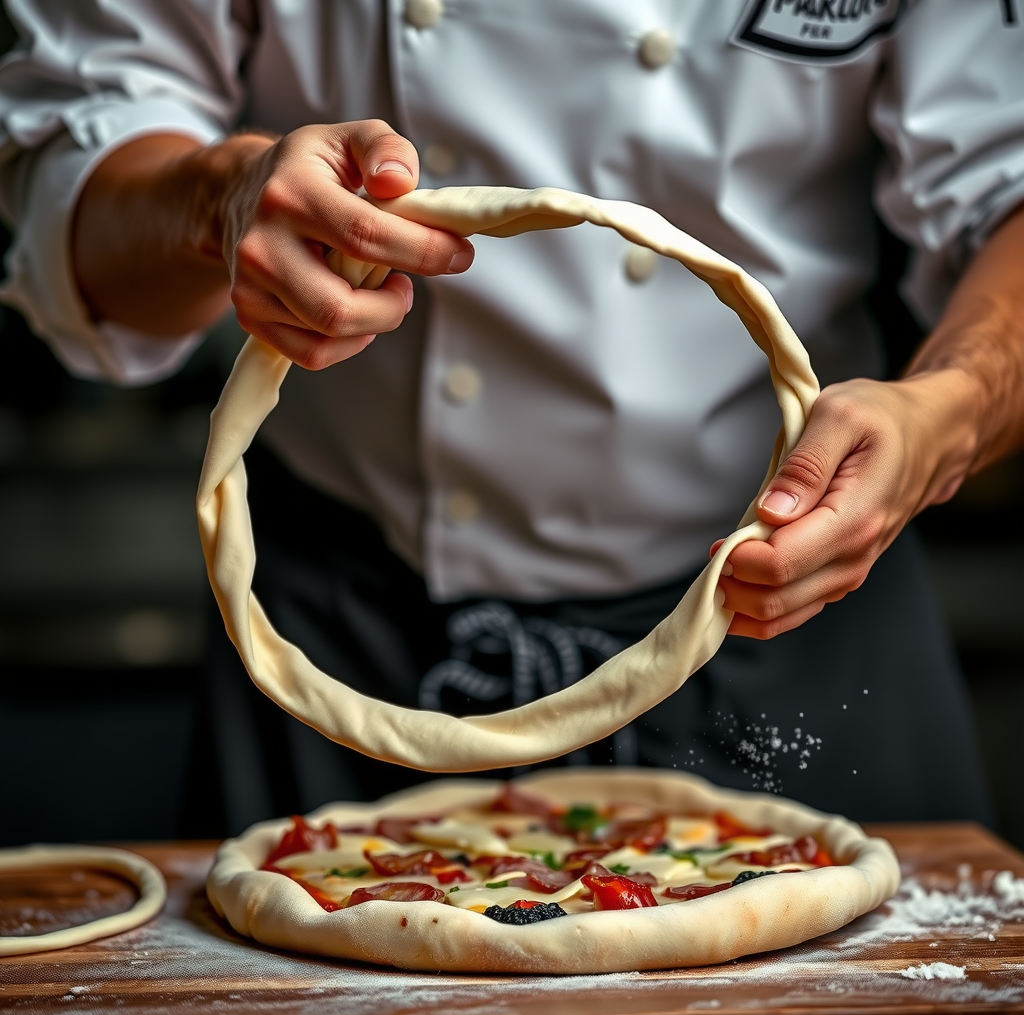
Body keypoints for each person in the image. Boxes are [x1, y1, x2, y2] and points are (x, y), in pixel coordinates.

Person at [1, 1, 1022, 834]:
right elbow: (81, 178)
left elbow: (1005, 188)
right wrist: (215, 200)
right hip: (357, 637)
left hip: (800, 596)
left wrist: (950, 410)